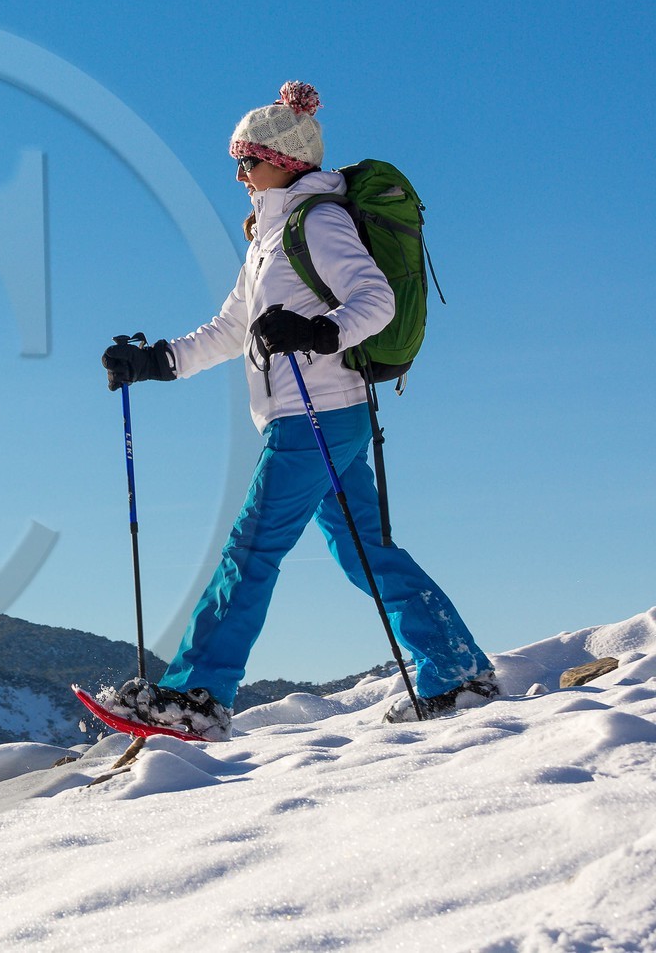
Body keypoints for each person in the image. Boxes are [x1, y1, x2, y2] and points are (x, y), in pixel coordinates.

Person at [99, 82, 495, 741]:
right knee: (367, 551)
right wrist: (157, 361)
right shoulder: (268, 237)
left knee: (249, 552)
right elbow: (232, 328)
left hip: (318, 413)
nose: (239, 174)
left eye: (247, 160)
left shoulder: (319, 220)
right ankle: (456, 673)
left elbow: (375, 302)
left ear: (284, 160)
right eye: (236, 162)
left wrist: (319, 333)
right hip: (320, 415)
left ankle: (197, 697)